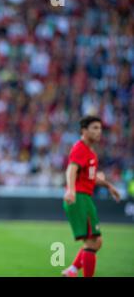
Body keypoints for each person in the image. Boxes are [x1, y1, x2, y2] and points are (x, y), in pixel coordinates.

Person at [62, 116, 121, 277]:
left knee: (96, 242)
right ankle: (74, 271)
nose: (99, 131)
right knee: (92, 242)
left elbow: (91, 178)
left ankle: (72, 270)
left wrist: (108, 186)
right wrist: (71, 190)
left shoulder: (91, 153)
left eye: (100, 128)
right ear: (84, 131)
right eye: (94, 128)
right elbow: (71, 170)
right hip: (79, 197)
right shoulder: (80, 148)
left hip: (85, 198)